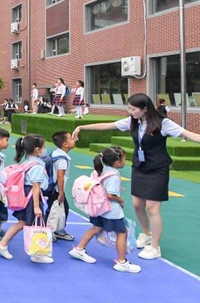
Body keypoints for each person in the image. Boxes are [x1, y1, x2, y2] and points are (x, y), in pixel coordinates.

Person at [72, 93, 200, 260]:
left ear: (145, 109)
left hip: (157, 169)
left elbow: (189, 135)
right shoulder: (132, 122)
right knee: (138, 204)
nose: (130, 111)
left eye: (133, 109)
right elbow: (107, 126)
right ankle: (146, 234)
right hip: (140, 167)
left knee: (152, 208)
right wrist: (81, 127)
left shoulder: (163, 123)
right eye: (129, 108)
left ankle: (155, 247)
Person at [68, 147, 142, 273]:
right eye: (124, 158)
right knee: (122, 234)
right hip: (111, 211)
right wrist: (120, 200)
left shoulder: (99, 170)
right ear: (117, 162)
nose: (125, 161)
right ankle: (122, 262)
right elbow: (110, 195)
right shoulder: (114, 176)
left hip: (98, 208)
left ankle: (79, 249)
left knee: (96, 228)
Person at [0, 134, 51, 263]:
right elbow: (36, 187)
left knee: (22, 222)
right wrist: (36, 207)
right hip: (31, 198)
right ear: (37, 149)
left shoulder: (27, 162)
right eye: (43, 147)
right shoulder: (37, 166)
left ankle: (2, 244)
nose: (44, 149)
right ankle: (37, 254)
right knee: (34, 225)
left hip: (25, 196)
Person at [45, 131, 75, 241]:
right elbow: (60, 176)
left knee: (61, 208)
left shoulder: (55, 153)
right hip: (56, 189)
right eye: (71, 139)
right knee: (53, 210)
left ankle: (58, 230)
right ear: (65, 144)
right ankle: (49, 231)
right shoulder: (62, 158)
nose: (74, 140)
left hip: (52, 187)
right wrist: (61, 192)